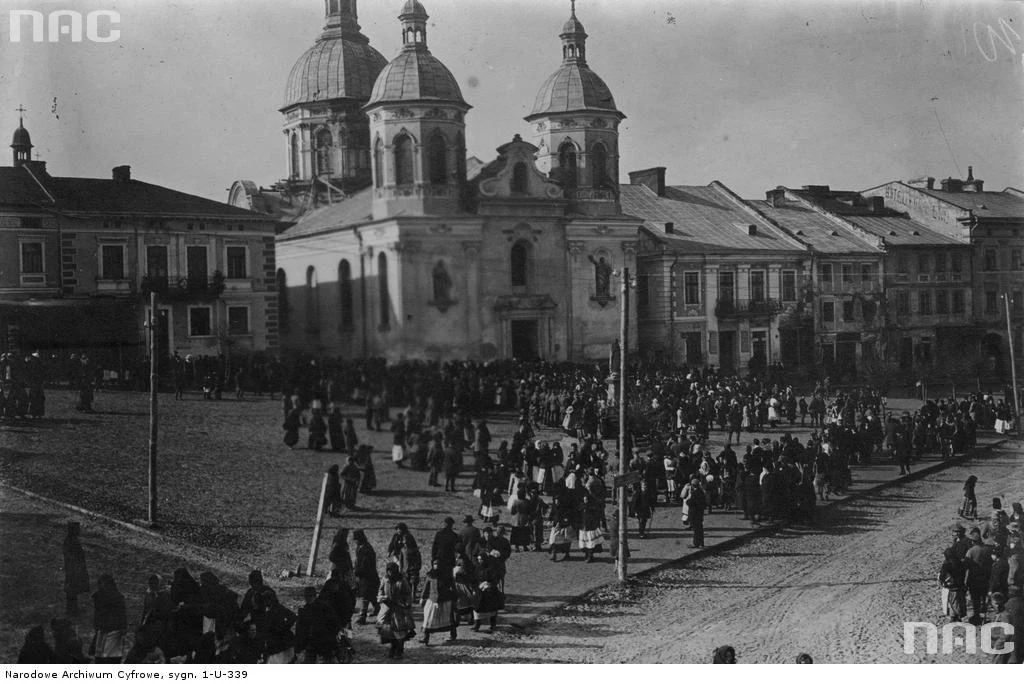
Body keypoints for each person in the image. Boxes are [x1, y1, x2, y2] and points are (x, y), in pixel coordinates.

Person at [376, 562, 414, 659]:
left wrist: (406, 604)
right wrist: (381, 597)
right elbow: (380, 590)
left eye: (392, 571)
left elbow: (408, 593)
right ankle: (393, 648)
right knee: (390, 631)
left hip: (399, 610)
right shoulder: (385, 579)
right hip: (387, 609)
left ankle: (399, 650)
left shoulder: (402, 580)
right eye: (388, 571)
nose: (390, 573)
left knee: (399, 631)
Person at [419, 559, 457, 645]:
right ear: (432, 565)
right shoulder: (430, 575)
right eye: (435, 564)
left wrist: (454, 597)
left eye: (438, 564)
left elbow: (453, 586)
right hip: (433, 599)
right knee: (428, 618)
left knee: (449, 618)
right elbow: (426, 587)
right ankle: (425, 638)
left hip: (445, 599)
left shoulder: (447, 575)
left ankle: (453, 635)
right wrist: (422, 597)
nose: (436, 566)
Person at [91, 574, 127, 663]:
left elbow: (122, 614)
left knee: (111, 658)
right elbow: (97, 614)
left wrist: (122, 627)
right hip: (103, 631)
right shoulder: (99, 597)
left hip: (114, 632)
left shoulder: (117, 598)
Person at [353, 529, 380, 625]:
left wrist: (356, 572)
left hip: (369, 576)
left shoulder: (367, 549)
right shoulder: (359, 547)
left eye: (356, 539)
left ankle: (362, 616)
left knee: (366, 594)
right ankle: (378, 609)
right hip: (363, 576)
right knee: (371, 595)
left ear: (360, 538)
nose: (355, 541)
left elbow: (366, 565)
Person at [63, 521, 89, 616]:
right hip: (73, 569)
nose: (79, 531)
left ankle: (73, 609)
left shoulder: (71, 540)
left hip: (72, 568)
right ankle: (72, 611)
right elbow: (73, 556)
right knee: (72, 590)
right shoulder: (71, 541)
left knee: (72, 590)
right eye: (77, 529)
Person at [939, 547, 967, 622]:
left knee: (951, 601)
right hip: (960, 584)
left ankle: (953, 616)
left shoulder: (947, 564)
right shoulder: (960, 562)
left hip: (951, 586)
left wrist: (942, 582)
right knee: (959, 601)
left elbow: (942, 575)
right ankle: (957, 615)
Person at [685, 476, 707, 548]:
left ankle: (696, 543)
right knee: (699, 528)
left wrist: (688, 501)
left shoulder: (695, 493)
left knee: (696, 529)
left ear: (693, 485)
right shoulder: (701, 492)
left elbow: (691, 502)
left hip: (694, 513)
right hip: (699, 513)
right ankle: (701, 543)